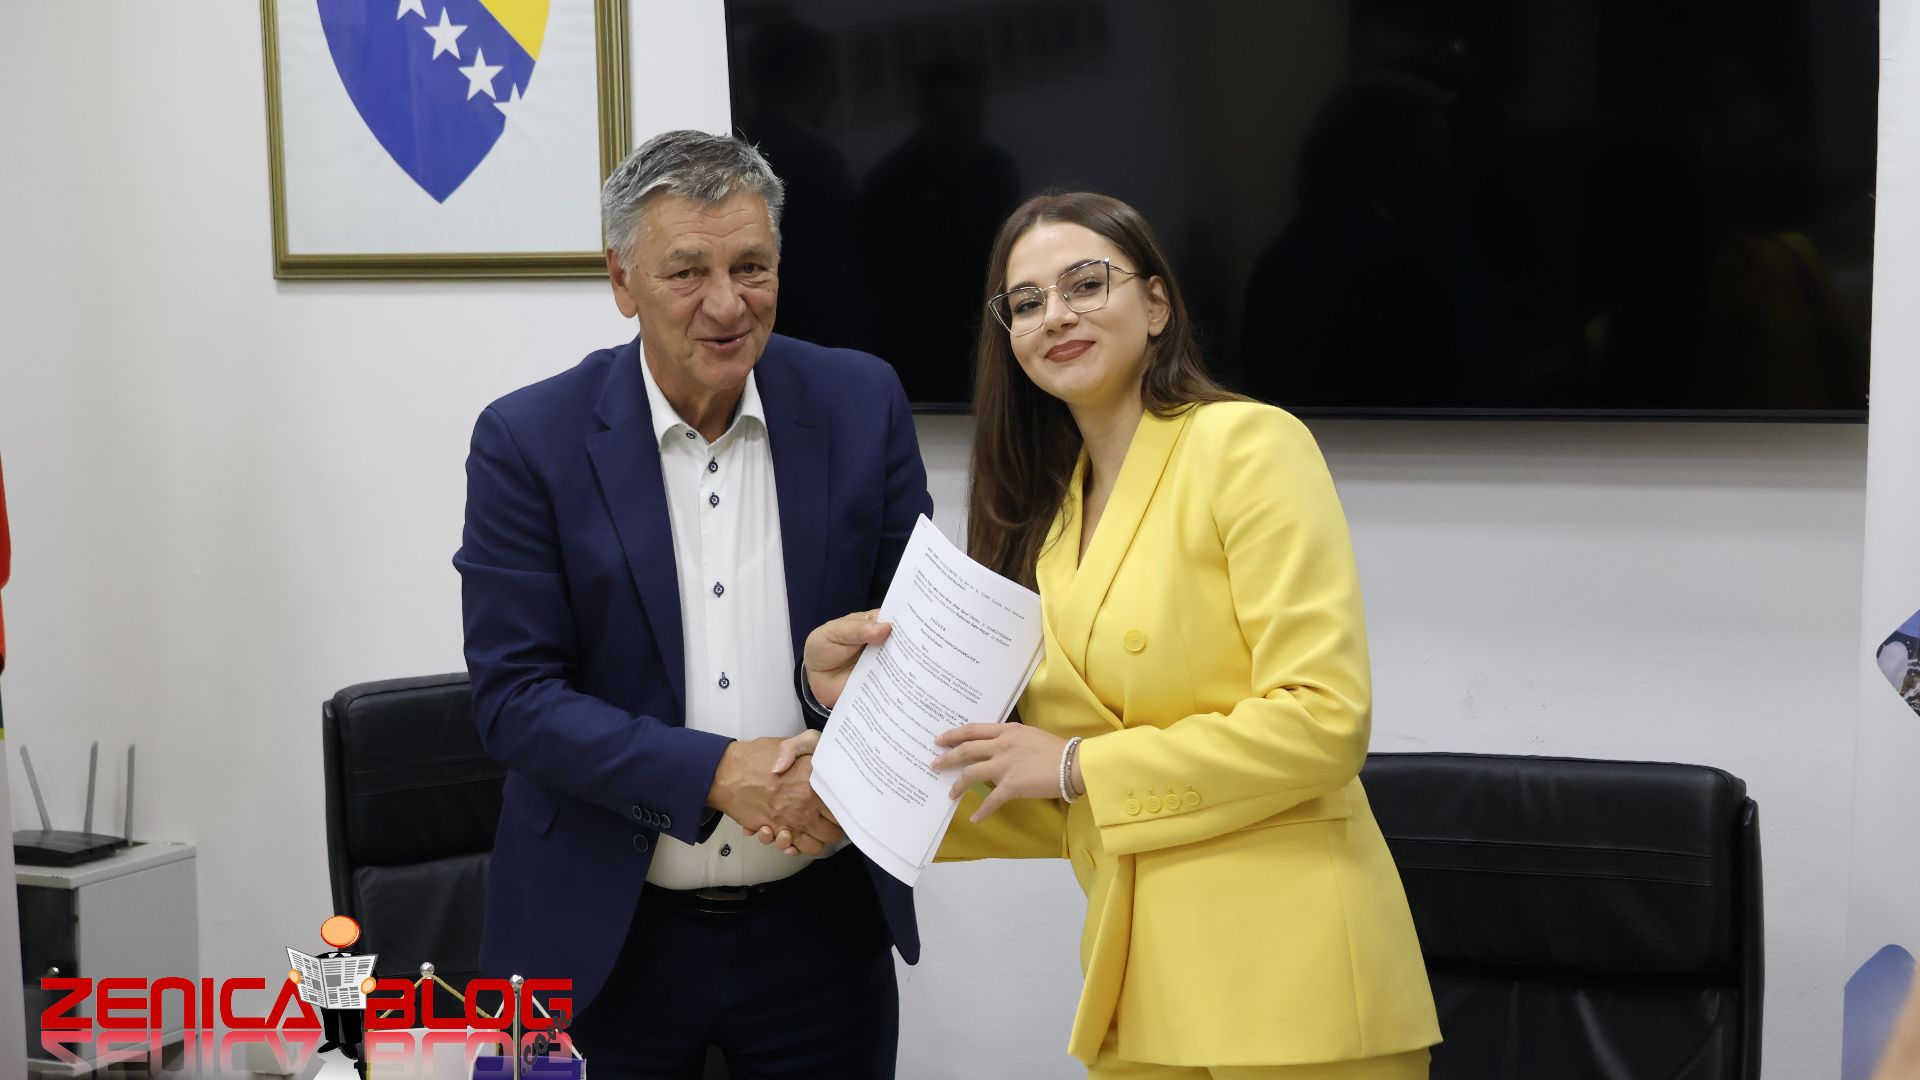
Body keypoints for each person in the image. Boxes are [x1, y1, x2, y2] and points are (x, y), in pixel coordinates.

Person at [794, 192, 1441, 1078]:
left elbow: (1323, 722)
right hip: (1140, 998)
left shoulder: (1248, 444)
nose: (1055, 315)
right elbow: (1045, 782)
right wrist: (849, 766)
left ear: (1158, 304)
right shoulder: (1051, 521)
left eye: (1086, 284)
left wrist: (1075, 765)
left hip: (1297, 990)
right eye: (1026, 302)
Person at [454, 129, 932, 1080]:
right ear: (622, 280)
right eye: (687, 272)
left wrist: (839, 739)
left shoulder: (860, 402)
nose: (727, 303)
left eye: (752, 266)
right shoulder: (529, 440)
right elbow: (514, 699)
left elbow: (913, 650)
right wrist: (719, 773)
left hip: (820, 937)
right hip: (602, 939)